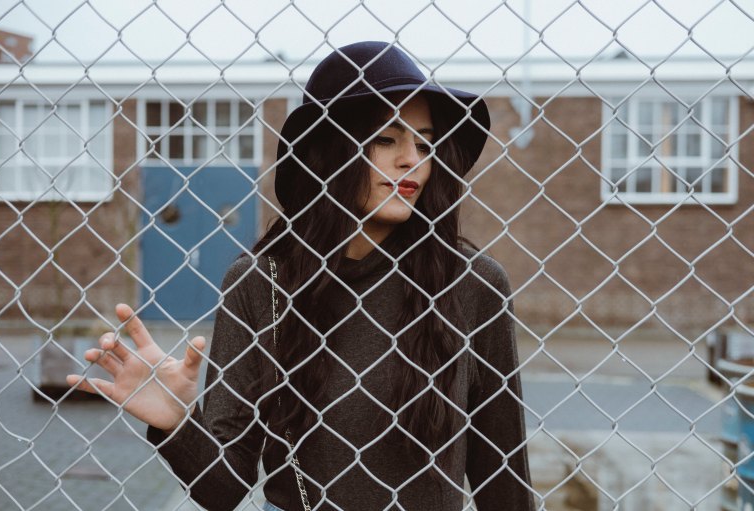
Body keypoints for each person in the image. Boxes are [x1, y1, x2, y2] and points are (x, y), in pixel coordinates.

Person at [67, 41, 534, 511]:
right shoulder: (262, 283)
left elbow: (505, 479)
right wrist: (176, 422)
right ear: (331, 152)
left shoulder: (472, 284)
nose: (411, 159)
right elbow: (224, 488)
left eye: (425, 142)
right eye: (387, 139)